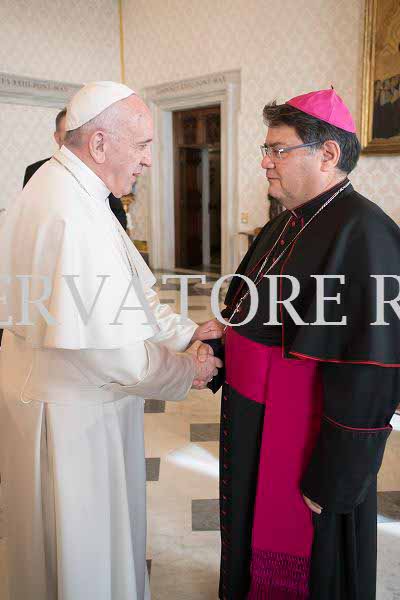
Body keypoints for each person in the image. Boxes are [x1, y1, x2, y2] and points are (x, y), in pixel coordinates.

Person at [0, 80, 223, 600]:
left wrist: (189, 331)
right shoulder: (72, 211)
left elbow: (128, 299)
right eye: (142, 145)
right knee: (84, 553)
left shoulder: (68, 188)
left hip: (52, 394)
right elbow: (114, 352)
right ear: (99, 143)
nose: (148, 160)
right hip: (72, 413)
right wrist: (187, 369)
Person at [216, 89, 400, 599]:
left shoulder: (368, 235)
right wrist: (220, 341)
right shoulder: (282, 224)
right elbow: (251, 313)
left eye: (278, 149)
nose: (265, 162)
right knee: (248, 524)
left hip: (308, 436)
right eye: (267, 149)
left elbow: (372, 373)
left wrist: (339, 474)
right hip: (253, 416)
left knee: (314, 558)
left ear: (328, 154)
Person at [23, 106, 128, 229]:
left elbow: (118, 215)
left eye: (77, 132)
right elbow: (27, 217)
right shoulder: (35, 171)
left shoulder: (99, 171)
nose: (74, 138)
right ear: (57, 137)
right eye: (68, 133)